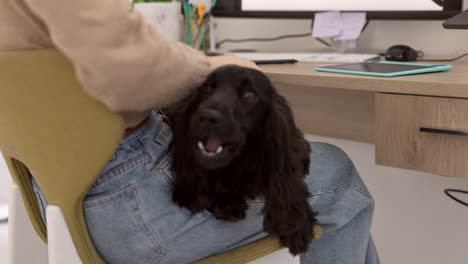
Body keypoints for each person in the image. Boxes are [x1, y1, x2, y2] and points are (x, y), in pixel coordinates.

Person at [0, 0, 380, 263]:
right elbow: (124, 74)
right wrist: (208, 70)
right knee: (337, 173)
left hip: (62, 203)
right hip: (139, 215)